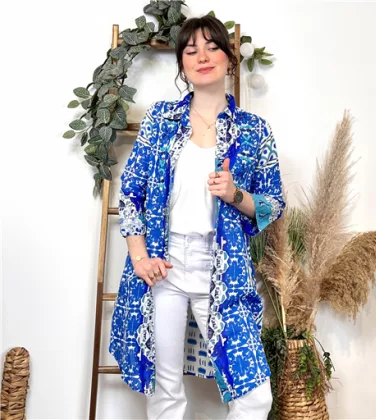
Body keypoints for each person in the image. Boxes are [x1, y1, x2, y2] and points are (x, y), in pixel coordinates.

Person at [109, 15, 286, 420]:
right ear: (182, 65)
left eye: (212, 47)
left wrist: (236, 194)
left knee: (254, 397)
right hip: (163, 265)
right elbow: (131, 192)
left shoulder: (253, 130)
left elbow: (273, 204)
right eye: (191, 51)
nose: (202, 57)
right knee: (165, 391)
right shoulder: (160, 120)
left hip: (221, 269)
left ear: (229, 58)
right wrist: (139, 257)